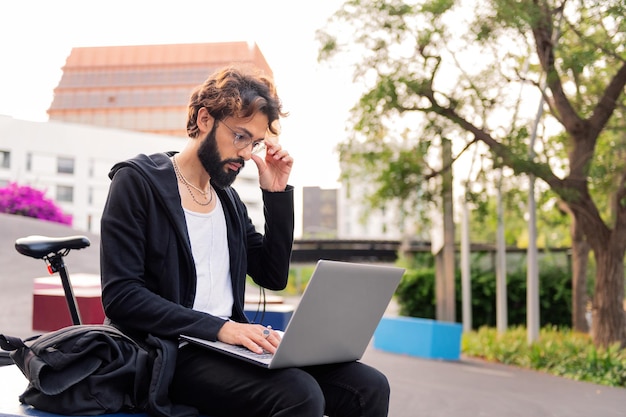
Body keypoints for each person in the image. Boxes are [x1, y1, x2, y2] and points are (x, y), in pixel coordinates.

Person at [100, 64, 390, 417]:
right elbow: (122, 297)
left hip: (227, 346)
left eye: (254, 143)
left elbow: (272, 276)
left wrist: (276, 194)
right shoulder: (138, 182)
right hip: (170, 349)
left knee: (369, 387)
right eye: (240, 136)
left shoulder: (227, 201)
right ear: (205, 119)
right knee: (298, 394)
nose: (246, 153)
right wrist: (221, 328)